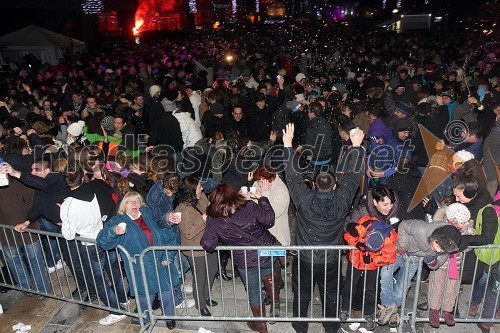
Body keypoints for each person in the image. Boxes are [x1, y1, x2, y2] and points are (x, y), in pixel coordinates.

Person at [282, 123, 365, 333]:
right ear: (335, 186)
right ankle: (330, 327)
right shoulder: (342, 201)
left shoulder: (304, 199)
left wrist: (286, 145)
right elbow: (353, 178)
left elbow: (292, 177)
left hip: (305, 258)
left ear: (314, 185)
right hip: (330, 258)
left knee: (302, 293)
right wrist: (355, 147)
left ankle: (301, 326)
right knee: (330, 294)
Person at [201, 183, 279, 333]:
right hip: (267, 251)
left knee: (254, 291)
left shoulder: (214, 219)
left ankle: (261, 326)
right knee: (268, 274)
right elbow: (269, 220)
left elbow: (208, 245)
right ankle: (275, 305)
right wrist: (262, 198)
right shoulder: (249, 205)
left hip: (245, 259)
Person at [96, 191, 178, 330]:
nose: (134, 204)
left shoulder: (150, 215)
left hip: (160, 261)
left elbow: (169, 235)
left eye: (137, 201)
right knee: (145, 297)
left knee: (167, 292)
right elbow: (102, 241)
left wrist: (168, 256)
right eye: (130, 201)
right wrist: (113, 232)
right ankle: (145, 319)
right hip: (140, 267)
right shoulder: (118, 221)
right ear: (124, 205)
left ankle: (169, 317)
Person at [60, 166, 128, 325]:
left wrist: (65, 221)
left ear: (66, 181)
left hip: (90, 244)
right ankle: (122, 299)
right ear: (83, 176)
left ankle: (116, 310)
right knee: (114, 270)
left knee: (98, 280)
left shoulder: (68, 204)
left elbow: (68, 235)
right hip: (106, 236)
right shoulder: (96, 187)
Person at [377, 220, 466, 328]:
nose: (439, 249)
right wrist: (403, 246)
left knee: (402, 286)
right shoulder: (422, 229)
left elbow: (437, 264)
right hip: (399, 253)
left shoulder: (445, 249)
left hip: (414, 260)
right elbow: (404, 225)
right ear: (435, 237)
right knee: (385, 273)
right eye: (438, 245)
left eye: (443, 249)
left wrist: (431, 262)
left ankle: (393, 312)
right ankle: (388, 306)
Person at [168, 176, 218, 316]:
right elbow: (188, 233)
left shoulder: (201, 197)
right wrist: (203, 218)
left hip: (209, 242)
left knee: (213, 269)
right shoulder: (182, 208)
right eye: (199, 187)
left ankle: (206, 296)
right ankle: (200, 304)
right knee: (200, 277)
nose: (202, 188)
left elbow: (209, 207)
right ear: (191, 190)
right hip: (194, 247)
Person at [341, 216, 398, 330]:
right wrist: (357, 244)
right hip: (356, 261)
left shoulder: (389, 238)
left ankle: (369, 314)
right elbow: (347, 235)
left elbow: (389, 258)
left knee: (370, 290)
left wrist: (373, 259)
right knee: (349, 286)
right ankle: (345, 309)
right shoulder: (362, 226)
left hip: (372, 266)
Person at [251, 165, 291, 289]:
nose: (258, 183)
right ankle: (270, 285)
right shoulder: (258, 184)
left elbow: (272, 215)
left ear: (270, 179)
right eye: (257, 180)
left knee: (273, 266)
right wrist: (246, 196)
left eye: (260, 180)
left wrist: (265, 195)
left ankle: (276, 286)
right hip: (261, 234)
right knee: (265, 263)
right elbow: (251, 204)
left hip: (276, 235)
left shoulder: (281, 190)